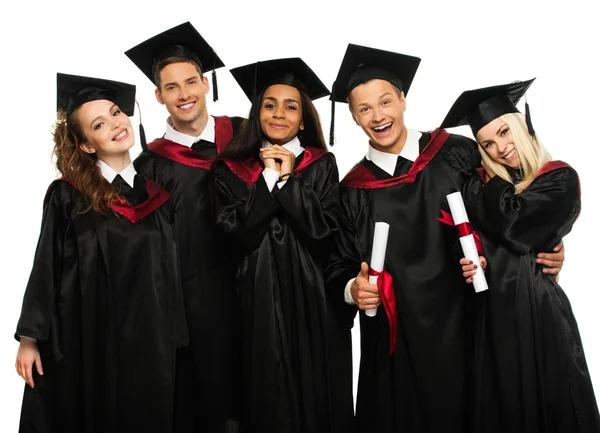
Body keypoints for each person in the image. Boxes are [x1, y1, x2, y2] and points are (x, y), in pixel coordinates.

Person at [324, 44, 566, 433]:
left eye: (385, 101)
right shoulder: (352, 190)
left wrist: (547, 243)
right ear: (352, 116)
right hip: (396, 344)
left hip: (468, 328)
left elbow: (509, 210)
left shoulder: (457, 154)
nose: (378, 115)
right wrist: (354, 288)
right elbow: (336, 265)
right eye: (364, 108)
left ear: (403, 99)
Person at [14, 73, 187, 433]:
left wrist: (176, 336)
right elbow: (46, 265)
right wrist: (30, 339)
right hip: (87, 334)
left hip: (146, 338)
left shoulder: (158, 198)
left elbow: (169, 271)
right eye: (99, 124)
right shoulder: (69, 196)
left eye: (115, 113)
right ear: (88, 145)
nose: (115, 123)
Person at [441, 79, 600, 433]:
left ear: (522, 125)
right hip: (488, 317)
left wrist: (483, 182)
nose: (500, 148)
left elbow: (512, 224)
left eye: (504, 132)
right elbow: (465, 238)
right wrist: (470, 259)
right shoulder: (480, 186)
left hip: (537, 312)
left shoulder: (559, 179)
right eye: (487, 144)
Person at [125, 22, 243, 432]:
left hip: (260, 291)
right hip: (198, 307)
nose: (184, 94)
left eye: (191, 81)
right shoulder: (151, 165)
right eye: (171, 87)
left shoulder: (247, 133)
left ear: (206, 82)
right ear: (158, 97)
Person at [213, 57, 338, 433]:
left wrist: (288, 180)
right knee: (263, 390)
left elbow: (324, 232)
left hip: (312, 296)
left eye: (290, 106)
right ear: (257, 113)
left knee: (314, 391)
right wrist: (268, 177)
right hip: (255, 295)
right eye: (269, 105)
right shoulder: (230, 168)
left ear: (303, 119)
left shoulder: (321, 164)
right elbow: (238, 234)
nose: (279, 114)